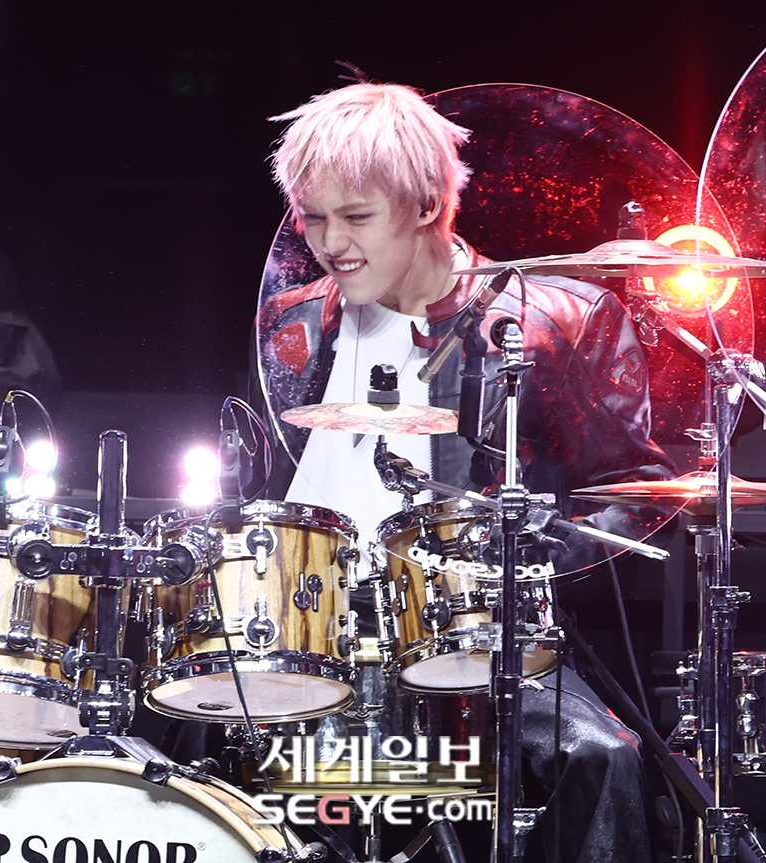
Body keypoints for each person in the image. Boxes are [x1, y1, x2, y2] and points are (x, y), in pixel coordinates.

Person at [256, 82, 674, 863]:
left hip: (480, 637)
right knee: (179, 730)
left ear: (424, 204)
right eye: (313, 217)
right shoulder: (296, 320)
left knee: (601, 760)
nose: (330, 242)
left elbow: (638, 492)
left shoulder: (551, 320)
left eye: (356, 217)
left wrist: (531, 554)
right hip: (315, 634)